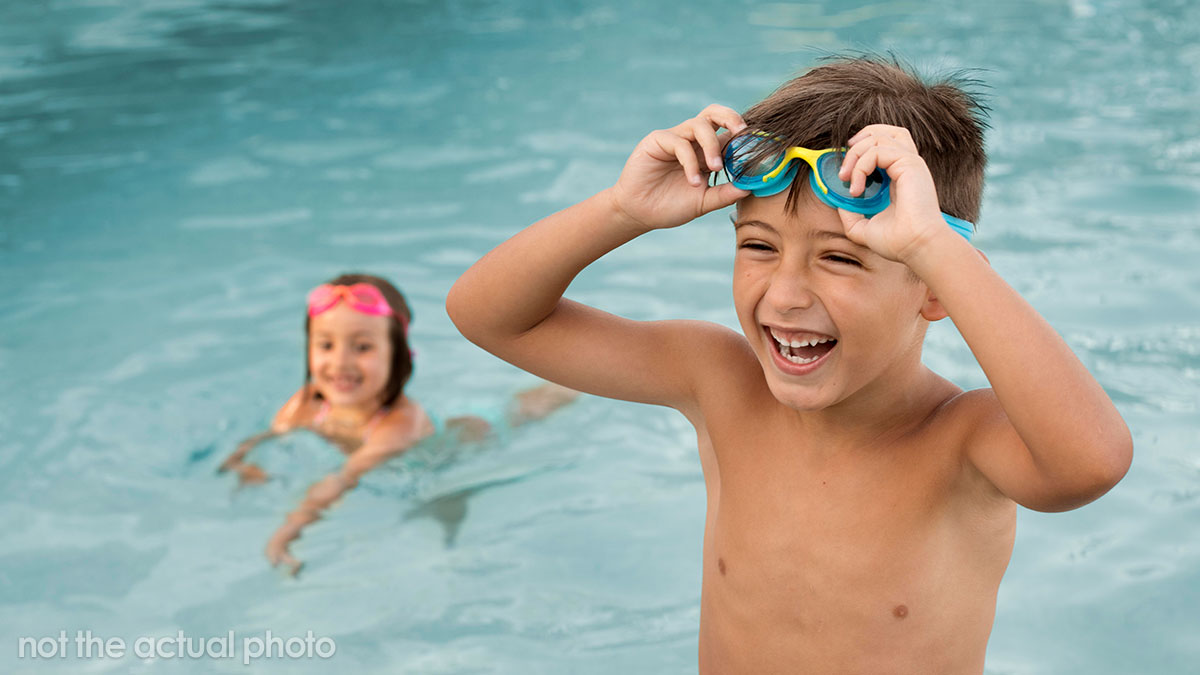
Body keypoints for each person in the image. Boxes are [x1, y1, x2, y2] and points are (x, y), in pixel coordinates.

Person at [445, 55, 1132, 673]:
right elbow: (488, 315)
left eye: (839, 257)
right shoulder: (718, 380)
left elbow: (1091, 461)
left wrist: (933, 244)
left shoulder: (962, 440)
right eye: (758, 246)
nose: (785, 293)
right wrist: (623, 209)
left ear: (936, 290)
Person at [219, 273, 577, 575]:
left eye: (362, 347)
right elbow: (268, 435)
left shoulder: (398, 426)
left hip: (477, 430)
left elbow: (344, 478)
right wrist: (244, 464)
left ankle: (574, 377)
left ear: (398, 355)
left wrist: (289, 530)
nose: (340, 362)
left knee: (532, 406)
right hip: (442, 419)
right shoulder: (308, 402)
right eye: (326, 345)